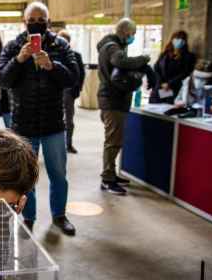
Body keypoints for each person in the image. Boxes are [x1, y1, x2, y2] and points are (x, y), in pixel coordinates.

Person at [0, 1, 79, 236]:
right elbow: (3, 79)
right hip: (24, 124)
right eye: (31, 20)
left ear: (49, 22)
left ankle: (59, 216)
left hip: (54, 123)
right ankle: (28, 217)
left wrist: (52, 66)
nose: (35, 24)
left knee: (58, 175)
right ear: (24, 22)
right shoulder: (14, 46)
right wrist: (19, 59)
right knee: (26, 178)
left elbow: (73, 77)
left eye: (40, 20)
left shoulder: (60, 46)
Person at [97, 18, 151, 196]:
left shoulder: (111, 46)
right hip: (112, 101)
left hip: (114, 100)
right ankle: (107, 179)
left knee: (115, 140)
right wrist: (143, 59)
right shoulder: (113, 47)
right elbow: (121, 62)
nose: (133, 37)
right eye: (133, 34)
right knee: (112, 142)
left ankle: (111, 174)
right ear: (126, 32)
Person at [149, 30, 196, 104]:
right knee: (153, 108)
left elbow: (185, 73)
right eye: (177, 38)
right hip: (159, 87)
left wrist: (169, 84)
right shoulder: (164, 54)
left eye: (182, 39)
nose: (179, 41)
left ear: (185, 41)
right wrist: (161, 83)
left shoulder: (189, 56)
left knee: (167, 109)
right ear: (172, 39)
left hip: (174, 88)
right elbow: (156, 68)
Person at [58, 29, 85, 154]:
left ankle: (68, 144)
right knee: (54, 119)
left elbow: (81, 74)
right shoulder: (52, 55)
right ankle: (56, 145)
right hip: (55, 91)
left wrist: (78, 88)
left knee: (69, 120)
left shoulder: (75, 55)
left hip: (69, 91)